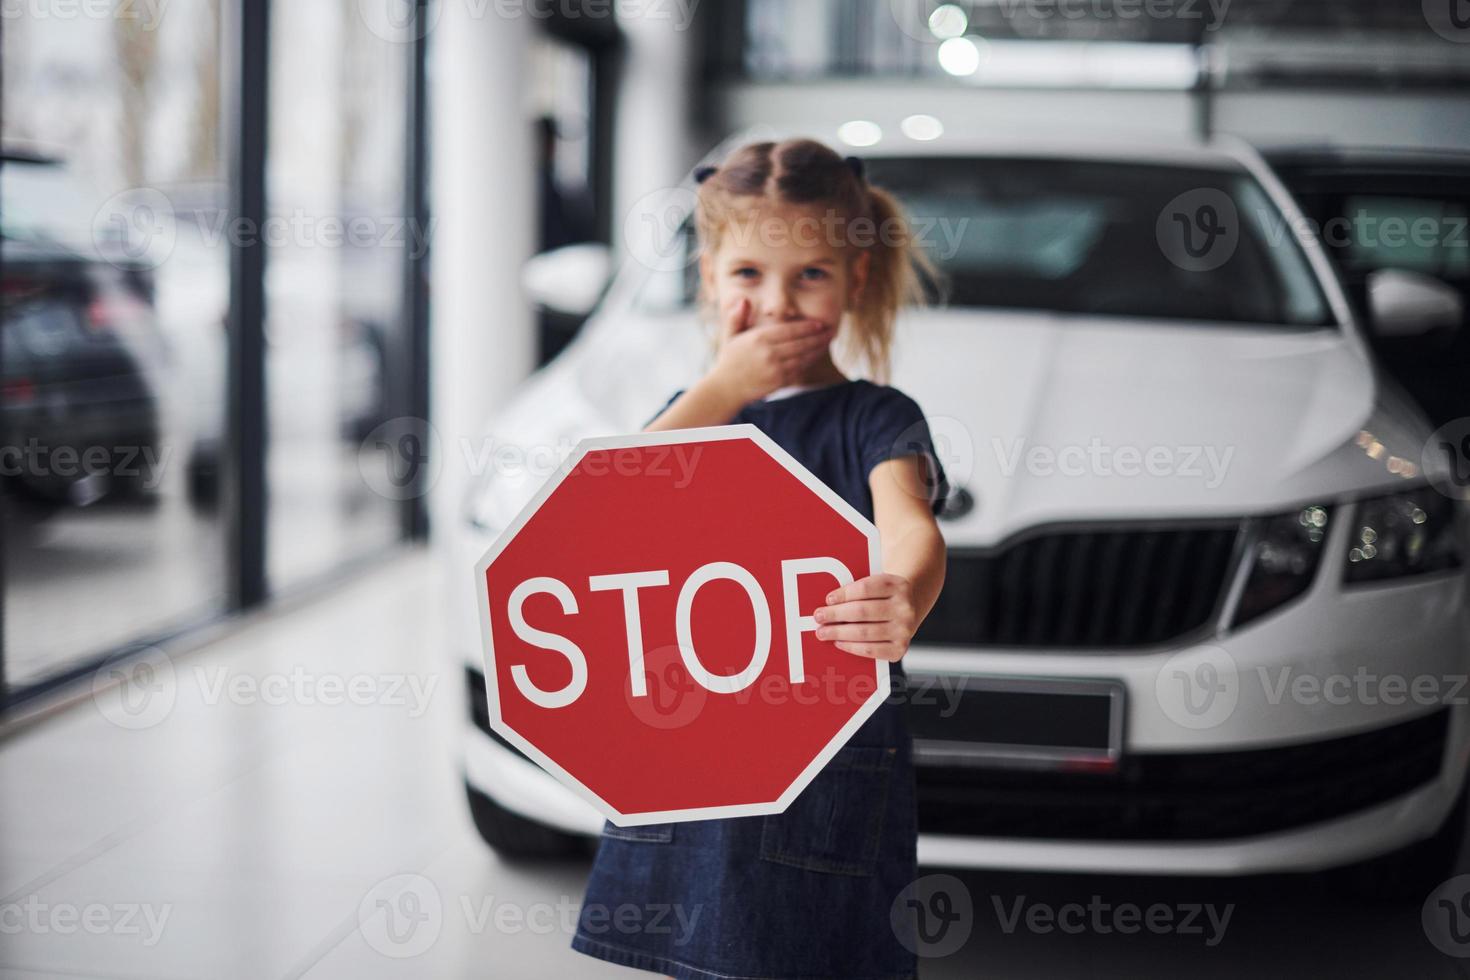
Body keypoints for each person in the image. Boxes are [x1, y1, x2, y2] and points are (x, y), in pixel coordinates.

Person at [569, 137, 951, 980]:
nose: (777, 305)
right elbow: (605, 504)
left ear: (855, 281)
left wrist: (908, 594)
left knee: (809, 949)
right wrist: (718, 391)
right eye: (748, 275)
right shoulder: (694, 414)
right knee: (694, 950)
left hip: (824, 756)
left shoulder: (874, 417)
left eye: (809, 275)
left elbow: (911, 523)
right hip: (690, 745)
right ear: (708, 278)